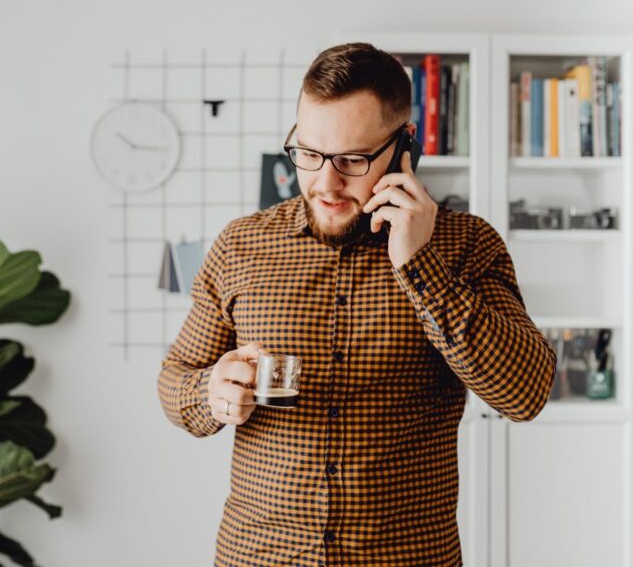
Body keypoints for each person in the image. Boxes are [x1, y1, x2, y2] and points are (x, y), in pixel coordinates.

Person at [157, 42, 556, 567]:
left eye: (352, 159)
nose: (325, 183)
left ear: (405, 147)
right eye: (308, 153)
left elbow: (525, 395)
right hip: (257, 555)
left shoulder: (466, 245)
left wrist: (420, 266)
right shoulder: (241, 244)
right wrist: (210, 392)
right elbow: (175, 377)